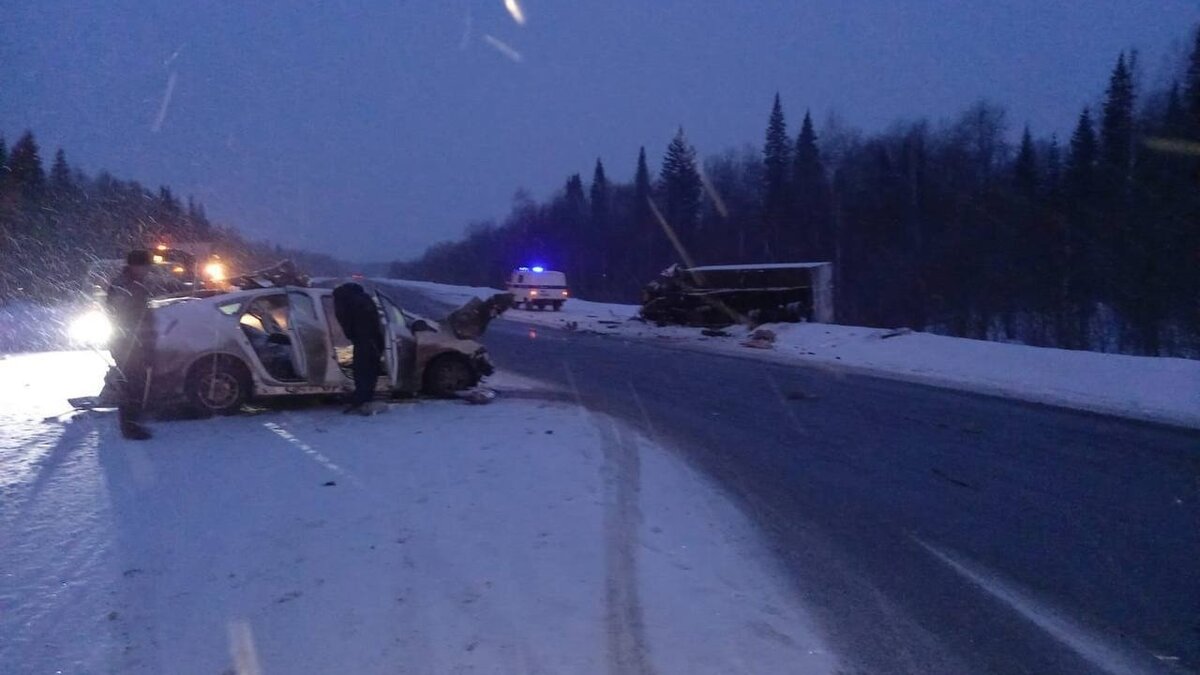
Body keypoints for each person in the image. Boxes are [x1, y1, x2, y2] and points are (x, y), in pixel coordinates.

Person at [106, 249, 157, 440]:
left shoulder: (134, 284)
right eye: (145, 266)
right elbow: (124, 316)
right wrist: (134, 338)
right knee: (131, 383)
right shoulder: (124, 286)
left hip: (132, 341)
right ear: (135, 266)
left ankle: (133, 422)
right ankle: (129, 427)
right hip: (126, 342)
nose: (147, 271)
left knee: (136, 382)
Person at [332, 282, 385, 415]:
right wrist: (379, 341)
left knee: (361, 371)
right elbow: (375, 320)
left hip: (360, 340)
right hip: (371, 340)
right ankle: (364, 400)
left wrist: (351, 335)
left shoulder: (343, 301)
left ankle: (360, 399)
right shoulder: (364, 299)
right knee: (370, 372)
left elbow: (344, 320)